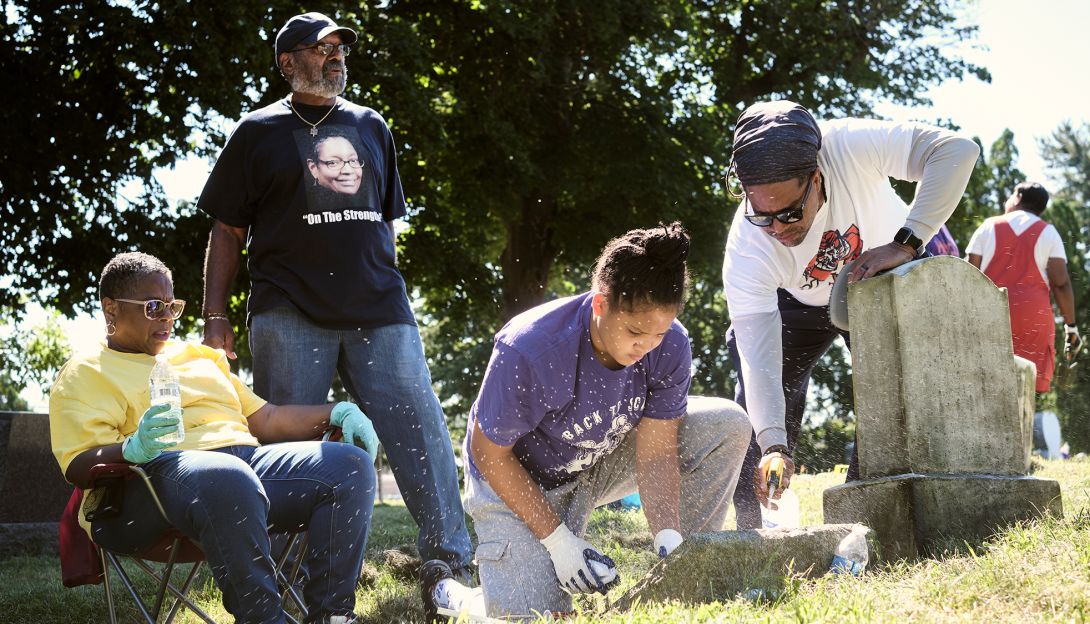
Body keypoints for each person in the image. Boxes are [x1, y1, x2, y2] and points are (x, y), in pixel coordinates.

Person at [196, 11, 473, 575]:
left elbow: (384, 223)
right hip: (289, 311)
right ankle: (285, 580)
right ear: (288, 62)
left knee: (420, 430)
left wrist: (381, 281)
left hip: (380, 311)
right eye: (321, 49)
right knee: (288, 451)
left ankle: (452, 563)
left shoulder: (371, 125)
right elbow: (226, 230)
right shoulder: (257, 132)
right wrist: (214, 315)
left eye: (339, 48)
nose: (335, 56)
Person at [419, 223, 751, 621]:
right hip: (519, 477)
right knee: (538, 619)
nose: (645, 346)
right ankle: (452, 595)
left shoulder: (671, 344)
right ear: (600, 304)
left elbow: (657, 453)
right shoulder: (528, 348)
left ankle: (686, 574)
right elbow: (487, 453)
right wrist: (559, 543)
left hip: (600, 458)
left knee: (727, 423)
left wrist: (667, 537)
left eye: (658, 334)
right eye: (633, 331)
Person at [49, 252, 377, 624]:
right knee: (226, 475)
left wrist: (337, 411)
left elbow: (265, 418)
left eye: (172, 306)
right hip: (147, 486)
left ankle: (332, 615)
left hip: (242, 468)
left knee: (350, 467)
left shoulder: (197, 356)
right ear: (110, 309)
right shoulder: (85, 372)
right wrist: (132, 447)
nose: (168, 318)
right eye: (154, 307)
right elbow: (77, 464)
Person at [722, 100, 979, 529]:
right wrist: (773, 444)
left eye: (788, 213)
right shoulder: (748, 251)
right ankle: (754, 530)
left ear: (817, 177)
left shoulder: (849, 146)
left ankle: (871, 521)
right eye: (762, 216)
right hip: (799, 300)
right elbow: (759, 363)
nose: (778, 230)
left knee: (891, 394)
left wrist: (908, 241)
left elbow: (957, 150)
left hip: (884, 276)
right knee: (756, 405)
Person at [967, 181, 1082, 393]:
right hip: (1033, 321)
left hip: (990, 315)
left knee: (983, 386)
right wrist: (1071, 326)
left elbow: (968, 274)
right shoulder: (1049, 233)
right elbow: (1061, 283)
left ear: (1018, 198)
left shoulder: (988, 226)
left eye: (1010, 195)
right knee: (1024, 389)